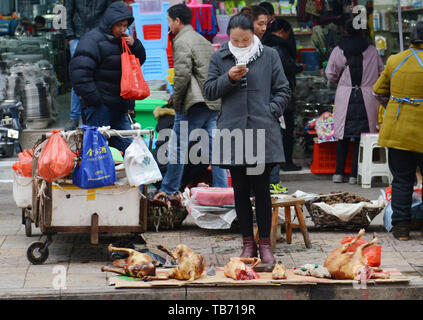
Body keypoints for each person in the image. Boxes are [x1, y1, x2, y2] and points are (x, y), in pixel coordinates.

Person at [204, 13, 291, 267]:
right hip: (233, 132)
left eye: (245, 39)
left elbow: (284, 89)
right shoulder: (219, 57)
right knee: (240, 190)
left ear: (253, 34)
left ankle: (265, 245)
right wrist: (228, 78)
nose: (241, 44)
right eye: (236, 40)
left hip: (262, 131)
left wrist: (271, 110)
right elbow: (209, 90)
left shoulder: (269, 55)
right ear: (229, 37)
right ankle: (247, 245)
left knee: (262, 190)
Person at [154, 4, 228, 199]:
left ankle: (169, 190)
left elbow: (182, 75)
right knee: (215, 149)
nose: (168, 25)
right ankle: (222, 189)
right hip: (211, 102)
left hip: (193, 104)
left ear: (177, 21)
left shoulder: (181, 41)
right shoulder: (202, 40)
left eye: (169, 21)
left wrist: (176, 102)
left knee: (177, 147)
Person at [69, 2, 146, 153]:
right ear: (110, 23)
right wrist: (95, 100)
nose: (123, 29)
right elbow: (79, 74)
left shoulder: (124, 41)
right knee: (97, 150)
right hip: (99, 107)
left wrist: (135, 44)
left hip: (119, 106)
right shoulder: (91, 41)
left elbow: (139, 61)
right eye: (119, 25)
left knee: (129, 150)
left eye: (125, 25)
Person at [373, 21, 423, 241]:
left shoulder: (395, 60)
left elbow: (378, 91)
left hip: (398, 130)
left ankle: (401, 228)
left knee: (402, 179)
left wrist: (395, 106)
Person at [325, 18, 383, 184]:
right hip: (367, 97)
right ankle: (353, 175)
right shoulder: (372, 51)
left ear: (346, 31)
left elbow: (330, 74)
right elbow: (382, 72)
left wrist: (342, 82)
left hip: (345, 96)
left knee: (342, 138)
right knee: (361, 138)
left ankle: (338, 173)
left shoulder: (338, 50)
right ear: (362, 32)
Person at [65, 0, 115, 131]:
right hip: (78, 37)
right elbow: (67, 14)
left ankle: (98, 112)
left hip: (100, 36)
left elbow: (111, 13)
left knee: (101, 75)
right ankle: (74, 117)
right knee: (79, 77)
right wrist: (70, 37)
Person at [264, 18, 304, 181]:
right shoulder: (279, 48)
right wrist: (298, 68)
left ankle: (278, 167)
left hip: (273, 95)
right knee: (285, 130)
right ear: (282, 32)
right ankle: (284, 163)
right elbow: (286, 69)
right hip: (281, 97)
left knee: (280, 131)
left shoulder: (266, 44)